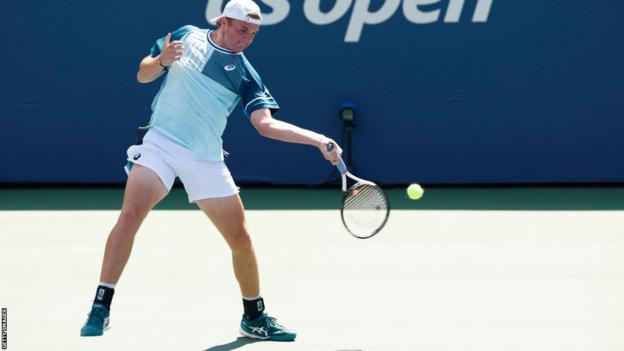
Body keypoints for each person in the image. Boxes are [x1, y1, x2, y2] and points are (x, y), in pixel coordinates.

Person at [80, 0, 342, 341]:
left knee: (241, 238)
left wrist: (318, 139)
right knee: (130, 215)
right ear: (223, 22)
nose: (246, 38)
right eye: (241, 29)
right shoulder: (186, 36)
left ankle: (254, 317)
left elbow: (265, 125)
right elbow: (142, 74)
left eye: (253, 34)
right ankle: (101, 305)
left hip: (204, 158)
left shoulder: (247, 74)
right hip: (160, 144)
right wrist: (161, 61)